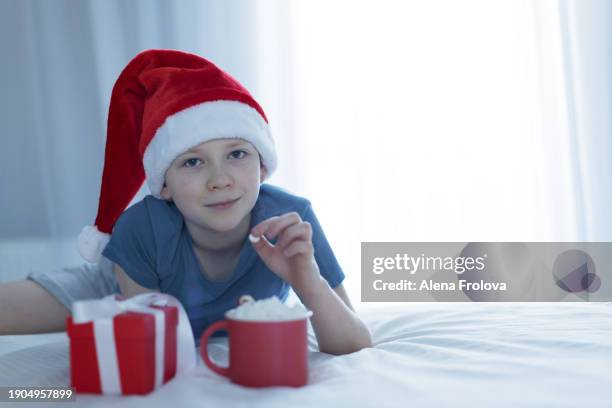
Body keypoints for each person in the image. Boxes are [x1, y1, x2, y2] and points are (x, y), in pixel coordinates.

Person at [0, 49, 372, 355]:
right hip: (116, 289)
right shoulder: (142, 228)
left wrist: (309, 283)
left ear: (263, 166)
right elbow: (154, 351)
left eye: (237, 154)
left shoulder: (293, 220)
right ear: (163, 186)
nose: (220, 179)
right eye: (192, 162)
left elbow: (353, 343)